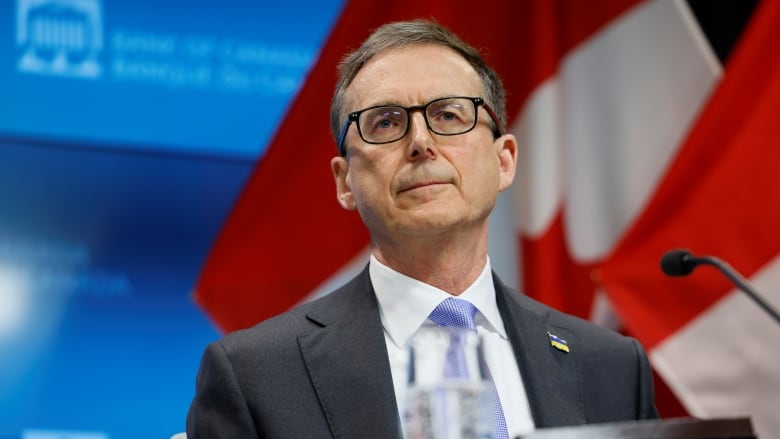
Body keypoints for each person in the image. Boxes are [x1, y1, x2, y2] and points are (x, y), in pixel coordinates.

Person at [186, 19, 658, 438]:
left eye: (449, 115)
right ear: (345, 181)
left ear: (504, 160)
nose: (421, 143)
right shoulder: (255, 375)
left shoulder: (612, 366)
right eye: (385, 122)